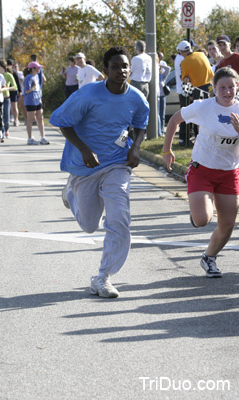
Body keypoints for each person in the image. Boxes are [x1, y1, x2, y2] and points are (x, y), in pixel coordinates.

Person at [49, 46, 149, 298]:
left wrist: (135, 148)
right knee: (89, 225)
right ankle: (71, 191)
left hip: (117, 164)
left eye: (125, 66)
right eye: (115, 66)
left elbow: (140, 124)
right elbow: (62, 121)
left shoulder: (136, 97)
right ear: (105, 71)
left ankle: (103, 276)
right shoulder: (87, 95)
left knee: (119, 218)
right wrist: (83, 149)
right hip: (86, 166)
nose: (121, 70)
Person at [162, 67, 239, 278]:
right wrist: (166, 150)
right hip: (202, 170)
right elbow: (174, 120)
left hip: (229, 173)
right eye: (222, 87)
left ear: (237, 87)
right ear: (214, 89)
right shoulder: (203, 107)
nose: (227, 91)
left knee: (227, 225)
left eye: (231, 87)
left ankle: (209, 257)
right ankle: (197, 212)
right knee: (203, 219)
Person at [177, 40, 214, 137]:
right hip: (211, 86)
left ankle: (199, 135)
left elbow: (184, 79)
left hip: (199, 89)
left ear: (181, 52)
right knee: (210, 112)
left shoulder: (184, 62)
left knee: (199, 113)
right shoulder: (201, 54)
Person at [23, 61, 49, 145]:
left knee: (40, 118)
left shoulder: (37, 76)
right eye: (38, 68)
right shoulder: (28, 77)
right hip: (30, 100)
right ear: (33, 69)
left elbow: (39, 87)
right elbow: (27, 90)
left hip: (37, 99)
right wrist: (33, 87)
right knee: (30, 120)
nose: (39, 69)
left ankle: (43, 137)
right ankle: (30, 138)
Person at [0, 60, 17, 141]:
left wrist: (6, 88)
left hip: (6, 98)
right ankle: (2, 133)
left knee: (6, 118)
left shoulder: (8, 75)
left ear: (2, 67)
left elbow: (15, 87)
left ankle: (6, 129)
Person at [7, 59, 21, 126]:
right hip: (9, 90)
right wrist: (20, 91)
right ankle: (15, 119)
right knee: (13, 106)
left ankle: (16, 119)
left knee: (13, 106)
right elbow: (18, 83)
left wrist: (19, 91)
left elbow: (17, 82)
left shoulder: (13, 72)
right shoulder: (12, 72)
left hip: (12, 90)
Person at [158, 62, 171, 137]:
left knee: (162, 114)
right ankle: (158, 131)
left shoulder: (161, 76)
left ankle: (162, 131)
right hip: (156, 97)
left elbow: (168, 68)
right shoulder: (153, 76)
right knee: (157, 115)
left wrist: (159, 65)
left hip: (162, 96)